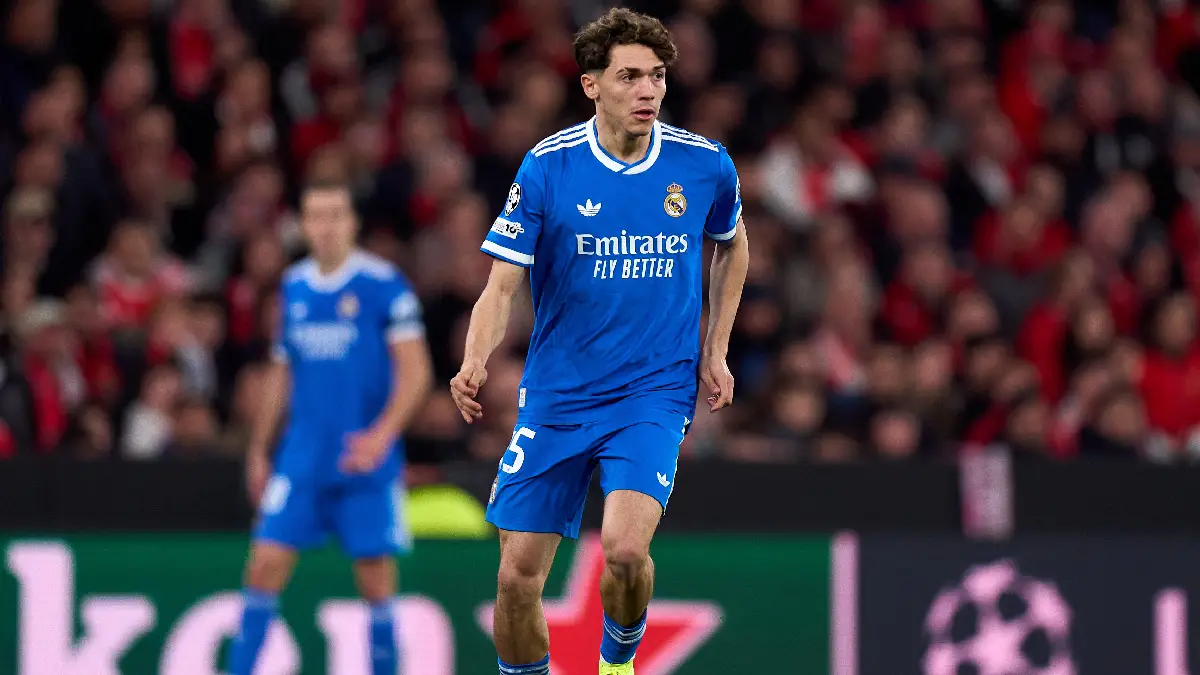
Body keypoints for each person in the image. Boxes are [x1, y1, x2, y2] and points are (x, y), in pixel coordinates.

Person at [449, 8, 750, 675]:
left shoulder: (703, 164)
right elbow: (502, 286)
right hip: (558, 394)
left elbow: (732, 244)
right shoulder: (548, 167)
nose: (648, 91)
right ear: (591, 85)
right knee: (516, 580)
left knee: (625, 551)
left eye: (657, 76)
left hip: (652, 391)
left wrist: (715, 349)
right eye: (630, 76)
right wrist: (475, 358)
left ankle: (616, 664)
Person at [229, 179, 433, 675]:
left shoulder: (383, 284)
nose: (326, 226)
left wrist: (382, 435)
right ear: (303, 224)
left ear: (352, 223)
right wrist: (259, 449)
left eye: (336, 215)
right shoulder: (294, 285)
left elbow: (416, 372)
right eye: (316, 216)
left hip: (363, 458)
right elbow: (282, 372)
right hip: (302, 456)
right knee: (263, 566)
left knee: (376, 580)